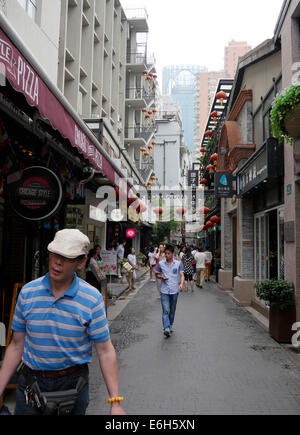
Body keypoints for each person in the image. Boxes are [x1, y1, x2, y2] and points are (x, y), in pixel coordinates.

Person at [0, 229, 125, 416]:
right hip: (31, 382)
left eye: (67, 258)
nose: (58, 262)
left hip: (73, 384)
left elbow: (105, 351)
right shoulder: (27, 293)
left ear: (81, 262)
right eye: (55, 255)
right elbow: (17, 345)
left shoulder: (91, 299)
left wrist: (115, 401)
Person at [155, 245, 185, 338]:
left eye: (168, 253)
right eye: (165, 253)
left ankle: (170, 325)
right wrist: (161, 277)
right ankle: (166, 328)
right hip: (164, 291)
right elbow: (156, 273)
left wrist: (181, 284)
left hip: (174, 291)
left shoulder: (178, 263)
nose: (166, 255)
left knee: (172, 310)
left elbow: (182, 275)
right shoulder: (161, 264)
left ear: (172, 254)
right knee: (165, 310)